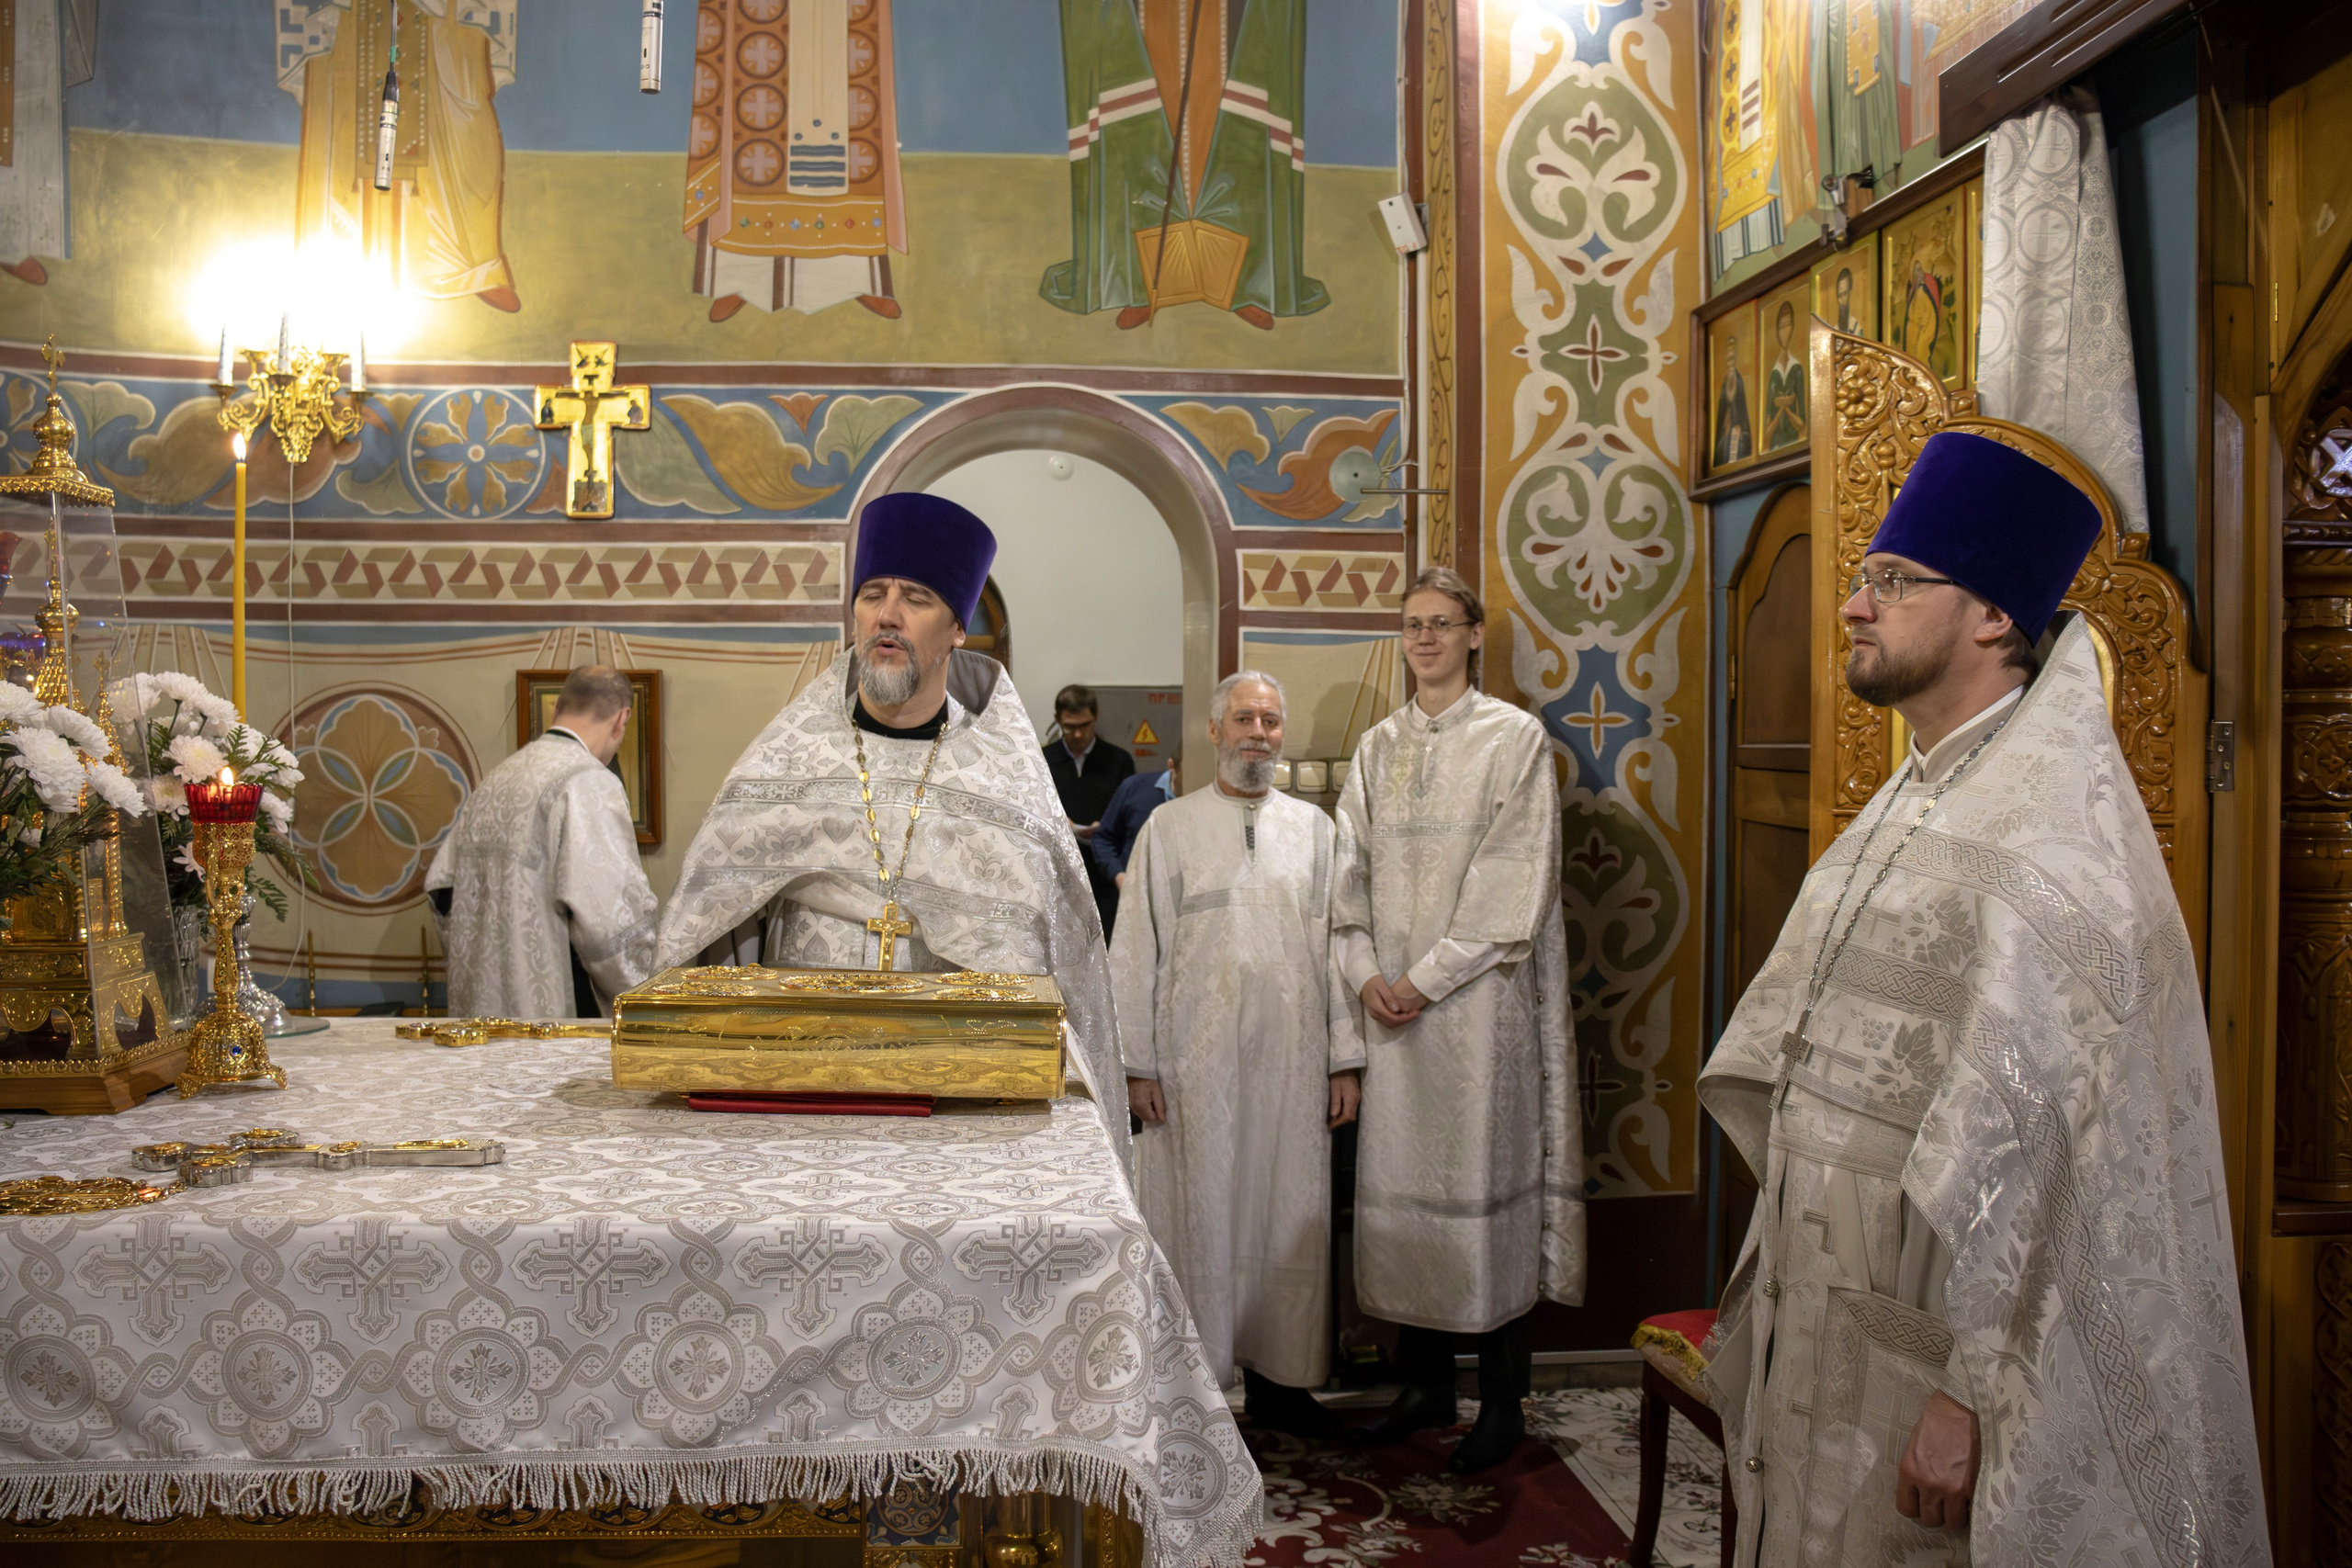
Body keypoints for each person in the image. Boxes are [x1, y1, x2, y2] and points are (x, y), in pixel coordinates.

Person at [1701, 431, 2268, 1565]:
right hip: (1824, 1293)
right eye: (1861, 579)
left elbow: (2063, 1153)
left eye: (1891, 582)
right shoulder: (1911, 796)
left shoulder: (2058, 840)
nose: (1853, 608)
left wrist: (1967, 1398)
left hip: (1927, 1345)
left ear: (1994, 616)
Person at [652, 494, 1130, 1158]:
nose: (887, 613)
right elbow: (703, 937)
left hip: (958, 1118)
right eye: (872, 593)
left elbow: (1054, 968)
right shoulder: (785, 761)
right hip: (798, 1107)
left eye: (917, 597)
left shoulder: (1006, 785)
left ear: (958, 629)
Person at [1334, 566, 1582, 1475]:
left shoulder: (1513, 740)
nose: (1425, 640)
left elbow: (1513, 880)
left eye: (1441, 624)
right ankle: (1425, 1386)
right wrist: (1365, 974)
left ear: (1474, 635)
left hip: (1477, 1011)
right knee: (1404, 1210)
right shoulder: (1375, 748)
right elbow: (1345, 871)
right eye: (1411, 626)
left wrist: (1426, 978)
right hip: (1393, 1017)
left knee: (1483, 1200)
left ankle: (1501, 1401)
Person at [1114, 675, 1357, 1439]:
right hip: (1196, 1067)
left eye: (1271, 719)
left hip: (1293, 1060)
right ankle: (1197, 1390)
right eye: (1244, 718)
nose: (1258, 731)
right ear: (1215, 731)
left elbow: (1343, 945)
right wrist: (1138, 1063)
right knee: (1201, 1214)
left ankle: (1285, 1386)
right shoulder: (1169, 828)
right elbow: (1135, 951)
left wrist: (1343, 1059)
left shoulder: (1318, 831)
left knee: (1290, 1212)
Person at [425, 665, 655, 1019]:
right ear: (622, 719)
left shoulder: (497, 779)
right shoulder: (589, 783)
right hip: (550, 1008)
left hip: (478, 1010)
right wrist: (648, 989)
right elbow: (610, 923)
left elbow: (442, 889)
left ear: (556, 709)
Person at [1043, 684, 1135, 939]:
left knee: (1106, 943)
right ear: (1057, 720)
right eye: (1070, 727)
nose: (1078, 734)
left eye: (1085, 725)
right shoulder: (1042, 760)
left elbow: (1130, 821)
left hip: (1105, 874)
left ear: (1096, 717)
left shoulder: (1119, 761)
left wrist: (1105, 828)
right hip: (1058, 874)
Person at [1095, 751, 1180, 892]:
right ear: (1172, 766)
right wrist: (1119, 875)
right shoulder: (1134, 787)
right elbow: (1103, 839)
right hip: (1135, 895)